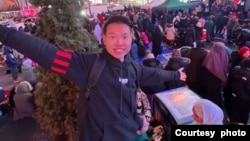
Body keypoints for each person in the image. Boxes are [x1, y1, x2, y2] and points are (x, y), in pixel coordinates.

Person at [0, 15, 186, 141]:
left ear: (132, 38)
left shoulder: (132, 67)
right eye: (112, 36)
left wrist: (177, 74)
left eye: (125, 36)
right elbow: (45, 52)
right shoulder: (87, 65)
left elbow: (154, 74)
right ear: (103, 39)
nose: (119, 42)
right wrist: (5, 33)